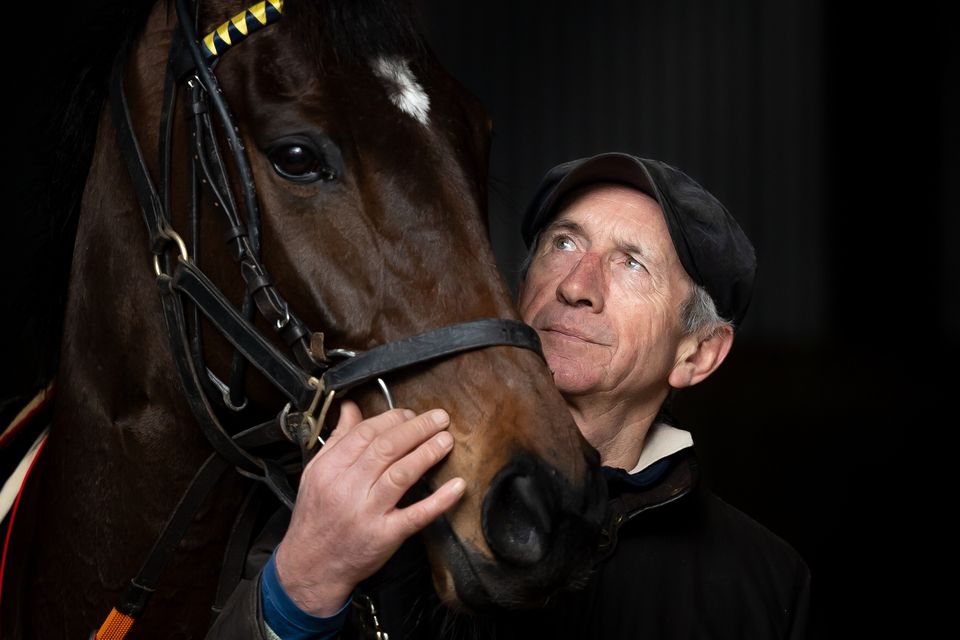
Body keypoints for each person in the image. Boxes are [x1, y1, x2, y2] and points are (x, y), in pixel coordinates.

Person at [209, 152, 812, 639]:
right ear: (517, 288)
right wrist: (300, 590)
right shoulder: (363, 485)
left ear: (697, 354)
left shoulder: (762, 585)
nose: (576, 285)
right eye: (564, 244)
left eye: (632, 265)